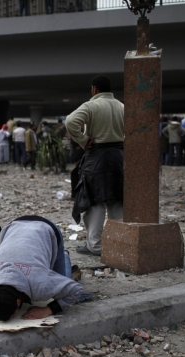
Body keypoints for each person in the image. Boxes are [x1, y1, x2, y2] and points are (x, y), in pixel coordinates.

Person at [0, 216, 83, 321]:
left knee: (62, 281)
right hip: (13, 227)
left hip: (45, 228)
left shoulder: (40, 283)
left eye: (13, 315)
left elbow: (75, 290)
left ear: (18, 302)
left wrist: (49, 309)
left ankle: (64, 255)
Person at [65, 75, 124, 257]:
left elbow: (70, 121)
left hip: (97, 157)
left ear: (94, 89)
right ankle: (119, 243)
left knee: (95, 201)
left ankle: (96, 246)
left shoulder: (91, 105)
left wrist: (83, 140)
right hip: (119, 156)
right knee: (117, 200)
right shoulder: (122, 106)